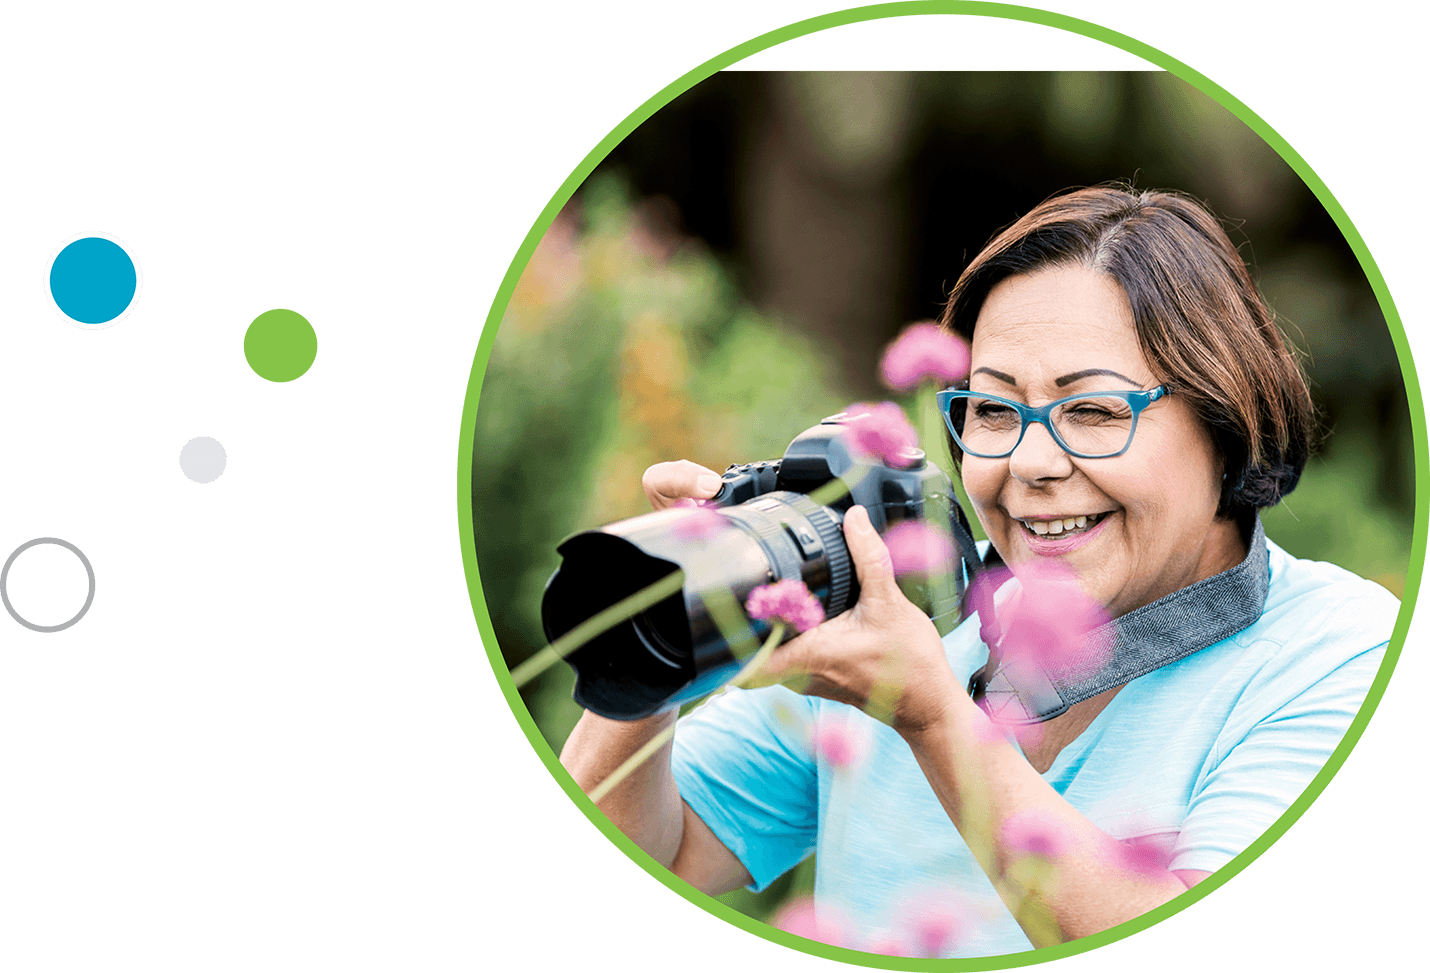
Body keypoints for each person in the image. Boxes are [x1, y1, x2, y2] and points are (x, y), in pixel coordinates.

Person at [557, 185, 1399, 957]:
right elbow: (644, 862)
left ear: (1227, 419)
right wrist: (671, 604)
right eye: (993, 409)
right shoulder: (908, 610)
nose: (1029, 462)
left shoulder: (1340, 652)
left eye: (1093, 409)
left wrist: (933, 719)